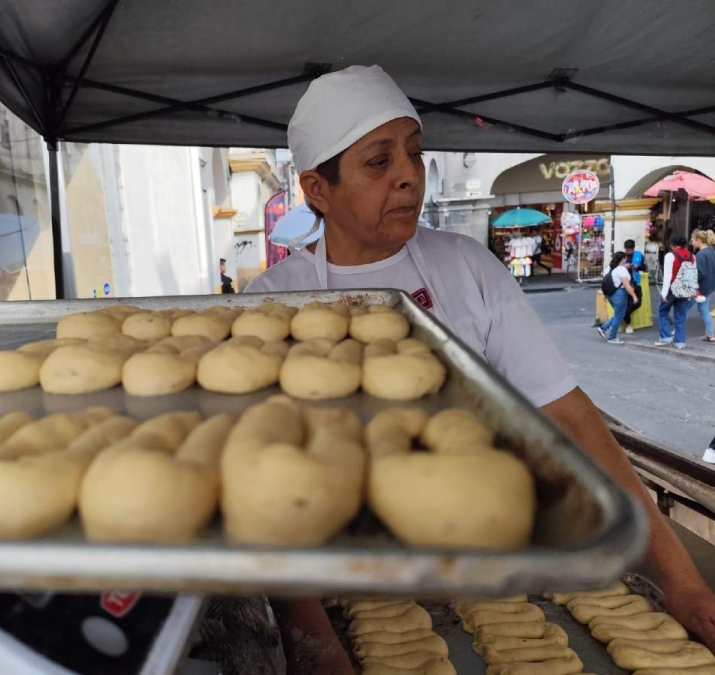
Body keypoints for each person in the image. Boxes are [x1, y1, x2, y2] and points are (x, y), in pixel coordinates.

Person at [245, 64, 715, 669]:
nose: (409, 177)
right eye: (379, 162)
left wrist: (680, 580)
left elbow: (571, 422)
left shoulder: (467, 269)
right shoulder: (273, 304)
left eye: (414, 155)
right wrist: (318, 646)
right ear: (317, 188)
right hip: (349, 589)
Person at [656, 233, 695, 349]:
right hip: (685, 289)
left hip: (672, 289)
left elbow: (667, 276)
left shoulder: (670, 256)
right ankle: (680, 341)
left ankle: (665, 337)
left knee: (662, 311)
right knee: (680, 316)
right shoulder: (692, 257)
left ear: (672, 245)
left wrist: (664, 293)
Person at [597, 252, 637, 345]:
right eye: (625, 258)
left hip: (610, 294)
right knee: (619, 315)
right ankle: (612, 337)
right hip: (619, 294)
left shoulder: (609, 269)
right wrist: (634, 296)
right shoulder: (622, 270)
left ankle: (603, 328)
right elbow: (626, 285)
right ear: (622, 259)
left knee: (619, 314)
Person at [691, 229, 715, 343]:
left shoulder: (700, 255)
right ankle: (710, 334)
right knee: (704, 310)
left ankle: (677, 331)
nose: (692, 243)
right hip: (710, 286)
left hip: (700, 288)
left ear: (698, 240)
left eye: (693, 240)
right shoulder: (712, 251)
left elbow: (701, 273)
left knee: (683, 308)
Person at [623, 239, 647, 334]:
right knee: (626, 304)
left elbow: (644, 267)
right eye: (627, 250)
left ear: (633, 248)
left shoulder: (638, 255)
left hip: (636, 283)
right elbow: (614, 267)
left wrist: (637, 267)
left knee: (637, 303)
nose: (628, 252)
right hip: (624, 284)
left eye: (630, 250)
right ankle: (628, 324)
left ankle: (623, 313)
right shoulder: (621, 256)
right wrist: (625, 266)